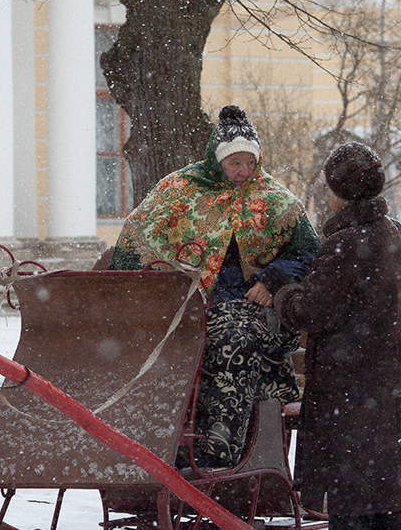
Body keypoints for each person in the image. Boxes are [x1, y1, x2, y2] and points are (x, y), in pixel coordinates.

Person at [111, 105, 319, 466]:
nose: (243, 171)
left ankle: (219, 450)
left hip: (255, 310)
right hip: (185, 308)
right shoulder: (179, 191)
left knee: (231, 340)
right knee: (174, 344)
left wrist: (273, 278)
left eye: (250, 162)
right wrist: (156, 286)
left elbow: (311, 255)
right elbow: (134, 243)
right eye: (234, 163)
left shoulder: (275, 201)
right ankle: (161, 444)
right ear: (216, 159)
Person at [274, 142, 401, 530]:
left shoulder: (342, 245)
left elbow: (313, 312)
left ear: (340, 192)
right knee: (382, 458)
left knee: (349, 458)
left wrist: (285, 294)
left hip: (347, 372)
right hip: (388, 367)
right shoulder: (393, 232)